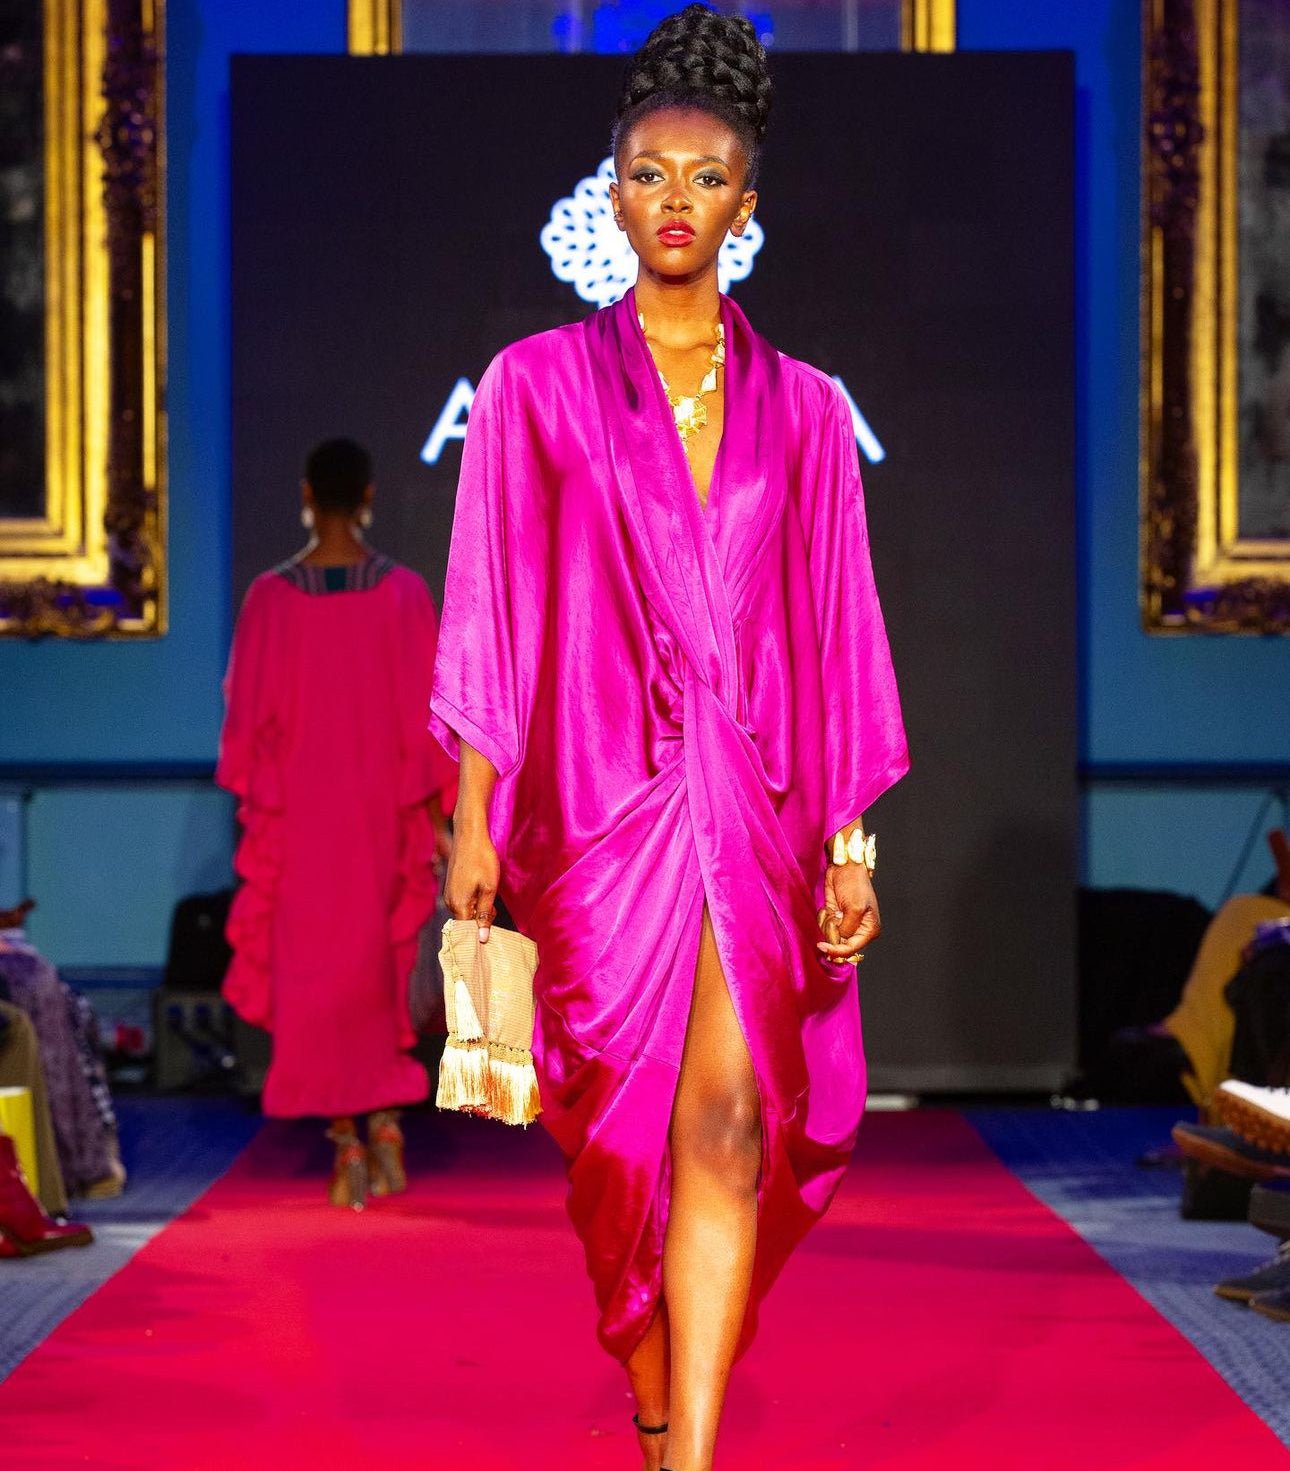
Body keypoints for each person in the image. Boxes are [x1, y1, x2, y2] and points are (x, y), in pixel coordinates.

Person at [431, 11, 908, 1468]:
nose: (676, 200)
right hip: (592, 811)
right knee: (619, 1151)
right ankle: (652, 1401)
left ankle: (688, 1451)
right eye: (648, 175)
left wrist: (849, 841)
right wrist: (471, 816)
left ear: (746, 206)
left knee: (726, 1124)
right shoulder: (531, 386)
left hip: (756, 805)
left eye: (707, 178)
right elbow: (493, 600)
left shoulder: (807, 411)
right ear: (612, 194)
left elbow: (835, 627)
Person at [219, 438, 456, 1208]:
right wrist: (439, 825)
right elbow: (428, 728)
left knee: (318, 983)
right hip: (378, 823)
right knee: (377, 972)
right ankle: (384, 1130)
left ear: (306, 493)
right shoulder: (403, 595)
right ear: (369, 495)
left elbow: (247, 730)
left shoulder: (269, 600)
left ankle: (348, 1140)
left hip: (304, 831)